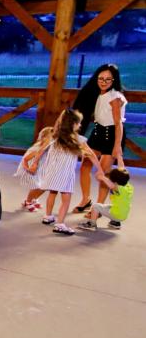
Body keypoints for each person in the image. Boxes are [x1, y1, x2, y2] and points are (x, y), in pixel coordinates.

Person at [28, 109, 103, 235]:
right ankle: (60, 224)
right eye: (79, 123)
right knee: (66, 200)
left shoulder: (54, 136)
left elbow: (41, 150)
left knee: (52, 193)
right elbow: (91, 155)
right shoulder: (78, 139)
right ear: (73, 124)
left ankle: (48, 216)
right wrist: (99, 169)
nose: (80, 125)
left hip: (52, 172)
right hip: (65, 175)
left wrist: (35, 163)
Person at [71, 64, 126, 213]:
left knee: (104, 172)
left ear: (114, 80)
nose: (103, 82)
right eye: (101, 78)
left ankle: (97, 209)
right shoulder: (98, 93)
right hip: (98, 131)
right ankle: (86, 200)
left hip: (112, 134)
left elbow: (118, 124)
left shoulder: (115, 97)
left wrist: (117, 146)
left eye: (108, 79)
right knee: (85, 165)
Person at [81, 164, 133, 230]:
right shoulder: (128, 186)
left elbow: (111, 186)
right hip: (123, 213)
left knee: (95, 206)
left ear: (115, 182)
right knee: (110, 206)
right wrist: (119, 158)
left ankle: (92, 224)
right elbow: (122, 168)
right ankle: (115, 223)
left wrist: (102, 177)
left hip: (117, 215)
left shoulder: (120, 189)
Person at [14, 127, 54, 212]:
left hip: (40, 170)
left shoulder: (49, 148)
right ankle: (28, 202)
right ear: (44, 137)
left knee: (44, 186)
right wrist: (27, 169)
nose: (52, 141)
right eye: (51, 138)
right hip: (31, 170)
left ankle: (33, 199)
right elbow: (25, 159)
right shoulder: (37, 148)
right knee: (36, 186)